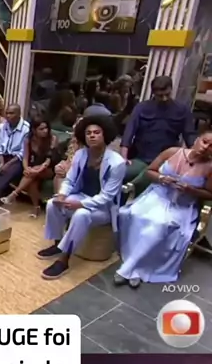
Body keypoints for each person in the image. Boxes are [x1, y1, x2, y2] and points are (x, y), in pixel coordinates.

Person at [115, 132, 212, 288]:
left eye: (211, 146)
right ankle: (137, 267)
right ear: (196, 140)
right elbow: (149, 171)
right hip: (156, 197)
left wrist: (191, 190)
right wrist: (161, 178)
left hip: (181, 205)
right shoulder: (172, 152)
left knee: (160, 224)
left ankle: (127, 268)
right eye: (205, 142)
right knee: (136, 214)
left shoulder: (210, 167)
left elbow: (209, 194)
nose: (206, 147)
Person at [37, 115, 126, 280]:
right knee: (52, 204)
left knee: (81, 214)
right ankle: (57, 244)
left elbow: (107, 197)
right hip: (80, 196)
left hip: (102, 208)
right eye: (88, 133)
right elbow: (70, 180)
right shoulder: (80, 154)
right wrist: (62, 195)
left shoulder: (117, 163)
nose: (92, 136)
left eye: (96, 132)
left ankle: (64, 260)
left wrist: (80, 204)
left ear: (105, 135)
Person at [120, 75, 196, 195]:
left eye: (167, 94)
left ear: (171, 90)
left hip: (166, 160)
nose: (164, 98)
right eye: (160, 96)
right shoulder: (142, 108)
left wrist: (195, 158)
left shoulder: (182, 110)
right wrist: (123, 158)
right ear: (153, 93)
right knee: (123, 173)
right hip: (141, 156)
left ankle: (134, 186)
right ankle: (128, 192)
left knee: (157, 176)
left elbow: (190, 135)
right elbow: (128, 133)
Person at [1, 119, 59, 216]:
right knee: (32, 182)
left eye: (46, 128)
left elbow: (48, 160)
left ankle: (13, 194)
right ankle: (36, 208)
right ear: (34, 130)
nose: (45, 131)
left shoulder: (53, 139)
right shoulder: (28, 140)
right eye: (41, 129)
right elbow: (25, 158)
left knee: (33, 172)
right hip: (34, 169)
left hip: (50, 168)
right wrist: (26, 168)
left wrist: (37, 170)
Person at [0, 104, 30, 202]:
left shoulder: (26, 128)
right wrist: (2, 162)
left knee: (6, 171)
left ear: (18, 114)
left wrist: (7, 164)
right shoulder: (2, 126)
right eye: (7, 113)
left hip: (16, 159)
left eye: (11, 113)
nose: (8, 116)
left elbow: (22, 152)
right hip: (3, 156)